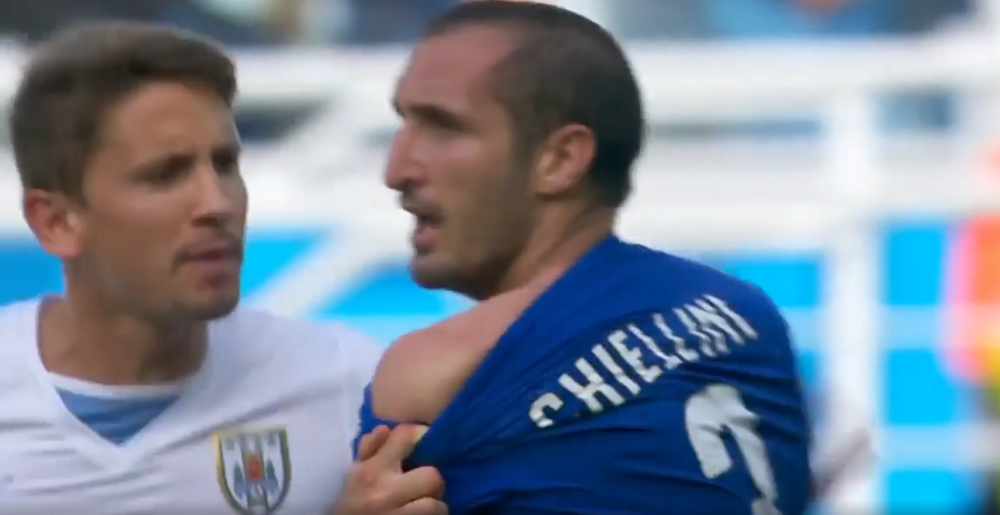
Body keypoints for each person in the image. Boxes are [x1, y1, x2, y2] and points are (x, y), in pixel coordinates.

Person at [356, 1, 813, 514]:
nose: (397, 170)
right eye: (403, 124)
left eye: (443, 127)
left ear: (561, 159)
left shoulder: (431, 373)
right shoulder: (745, 316)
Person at [0, 22, 444, 515]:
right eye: (165, 175)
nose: (217, 203)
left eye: (226, 164)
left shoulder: (347, 383)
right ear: (57, 222)